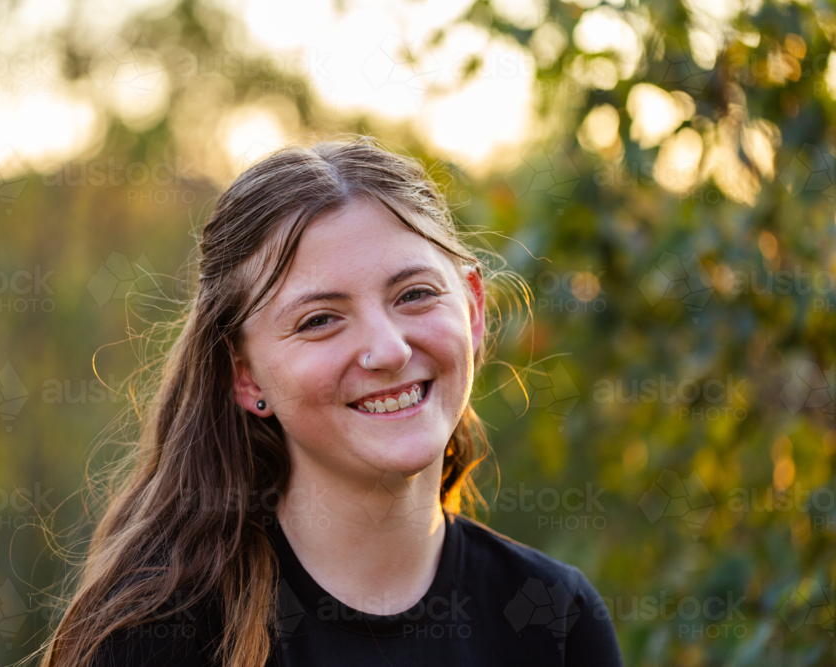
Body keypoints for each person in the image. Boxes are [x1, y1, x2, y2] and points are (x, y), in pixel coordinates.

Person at [39, 136, 623, 667]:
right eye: (320, 320)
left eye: (415, 294)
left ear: (471, 310)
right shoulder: (158, 639)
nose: (388, 350)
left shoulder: (555, 620)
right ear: (245, 376)